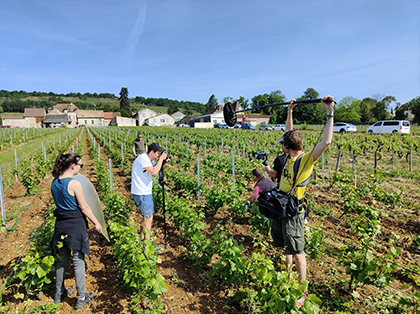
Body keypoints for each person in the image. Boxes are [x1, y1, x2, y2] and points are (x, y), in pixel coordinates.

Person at [264, 95, 334, 307]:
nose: (281, 143)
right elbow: (288, 133)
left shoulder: (304, 160)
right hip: (282, 208)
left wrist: (329, 111)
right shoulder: (288, 158)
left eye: (283, 142)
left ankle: (302, 292)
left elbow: (326, 141)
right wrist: (290, 111)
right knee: (286, 246)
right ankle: (286, 277)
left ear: (286, 146)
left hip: (294, 211)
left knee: (298, 251)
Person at [50, 153, 102, 310]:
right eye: (80, 165)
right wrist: (97, 223)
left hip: (60, 225)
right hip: (76, 225)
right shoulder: (74, 184)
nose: (81, 167)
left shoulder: (54, 182)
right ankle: (81, 297)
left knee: (63, 260)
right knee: (78, 260)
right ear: (72, 166)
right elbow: (84, 207)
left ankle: (59, 294)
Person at [131, 142, 170, 244]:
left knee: (147, 216)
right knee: (149, 217)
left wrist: (162, 162)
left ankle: (142, 238)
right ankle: (146, 242)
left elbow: (154, 170)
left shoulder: (148, 159)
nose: (159, 156)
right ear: (152, 152)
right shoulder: (143, 158)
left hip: (143, 192)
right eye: (158, 153)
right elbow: (154, 172)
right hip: (142, 192)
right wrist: (161, 159)